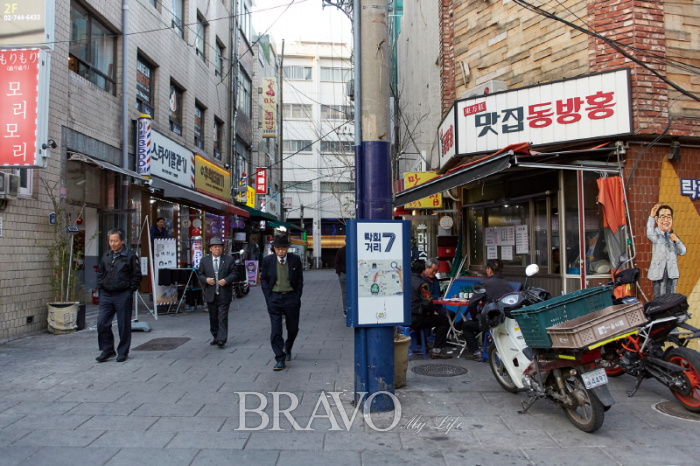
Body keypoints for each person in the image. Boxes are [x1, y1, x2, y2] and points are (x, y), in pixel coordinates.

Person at [96, 228, 142, 363]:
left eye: (115, 241)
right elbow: (100, 273)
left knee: (123, 325)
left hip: (123, 294)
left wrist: (130, 291)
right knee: (102, 322)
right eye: (110, 241)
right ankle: (107, 350)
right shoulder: (106, 255)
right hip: (106, 294)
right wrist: (101, 287)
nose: (113, 244)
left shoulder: (130, 256)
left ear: (122, 241)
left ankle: (123, 351)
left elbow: (137, 275)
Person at [260, 234, 304, 371]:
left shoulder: (295, 260)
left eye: (283, 248)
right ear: (274, 249)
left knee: (293, 328)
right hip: (275, 298)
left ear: (287, 248)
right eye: (277, 248)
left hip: (291, 298)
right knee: (276, 330)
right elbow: (263, 279)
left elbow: (299, 280)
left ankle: (288, 346)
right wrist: (268, 296)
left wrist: (297, 296)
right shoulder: (268, 260)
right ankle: (279, 357)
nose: (280, 251)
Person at [460, 259, 513, 360]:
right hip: (505, 321)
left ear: (489, 270)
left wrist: (475, 317)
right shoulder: (508, 285)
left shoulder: (485, 284)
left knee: (466, 326)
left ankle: (476, 352)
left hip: (489, 322)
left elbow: (472, 303)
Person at [197, 237, 238, 348]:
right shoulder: (204, 261)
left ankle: (222, 339)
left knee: (222, 316)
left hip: (224, 293)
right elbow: (199, 274)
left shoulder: (229, 259)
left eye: (219, 247)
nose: (217, 249)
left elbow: (235, 273)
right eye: (215, 247)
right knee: (213, 317)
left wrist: (226, 280)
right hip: (211, 293)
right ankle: (215, 336)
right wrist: (206, 280)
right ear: (210, 249)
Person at [410, 261, 452, 359]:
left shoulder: (405, 279)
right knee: (443, 320)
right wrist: (432, 311)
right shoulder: (422, 283)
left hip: (403, 319)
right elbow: (427, 302)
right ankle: (437, 350)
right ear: (423, 270)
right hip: (416, 318)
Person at [647, 203, 686, 298]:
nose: (666, 220)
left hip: (671, 272)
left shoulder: (673, 236)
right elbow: (649, 233)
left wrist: (677, 241)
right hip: (658, 272)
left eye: (669, 217)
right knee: (660, 297)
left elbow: (683, 251)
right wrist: (651, 217)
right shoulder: (655, 234)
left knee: (672, 297)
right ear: (657, 219)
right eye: (663, 217)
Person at [335, 244, 347, 317]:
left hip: (343, 274)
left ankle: (346, 310)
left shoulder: (341, 250)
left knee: (345, 292)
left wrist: (339, 272)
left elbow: (337, 262)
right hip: (354, 275)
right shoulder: (356, 249)